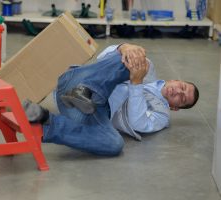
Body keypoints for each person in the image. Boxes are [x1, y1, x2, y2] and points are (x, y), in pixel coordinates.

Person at [23, 43, 199, 156]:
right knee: (137, 59)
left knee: (114, 144)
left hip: (89, 113)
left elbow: (138, 124)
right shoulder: (148, 68)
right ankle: (85, 91)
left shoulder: (162, 115)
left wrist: (136, 83)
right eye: (182, 87)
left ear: (175, 108)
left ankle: (44, 121)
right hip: (76, 81)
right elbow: (103, 59)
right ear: (176, 80)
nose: (178, 92)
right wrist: (124, 47)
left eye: (182, 99)